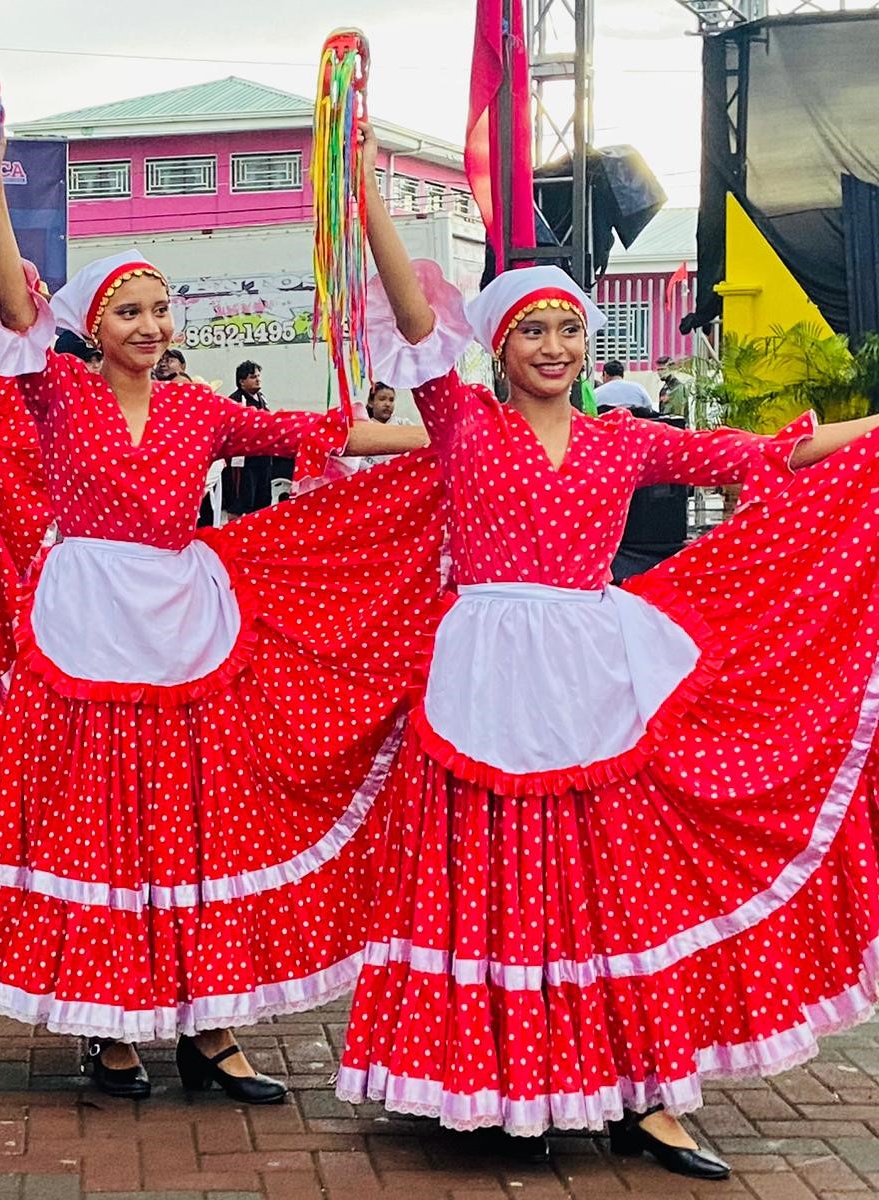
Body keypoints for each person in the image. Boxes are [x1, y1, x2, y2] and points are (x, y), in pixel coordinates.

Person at [337, 124, 879, 1179]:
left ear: (589, 344)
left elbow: (766, 454)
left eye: (568, 329)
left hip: (589, 672)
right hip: (486, 676)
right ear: (495, 346)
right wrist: (362, 188)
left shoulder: (622, 438)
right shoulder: (460, 422)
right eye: (530, 329)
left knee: (611, 881)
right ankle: (486, 1080)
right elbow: (410, 314)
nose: (551, 346)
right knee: (484, 877)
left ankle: (642, 1097)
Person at [0, 128, 438, 1105]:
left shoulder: (200, 410)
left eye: (160, 308)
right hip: (85, 632)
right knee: (100, 829)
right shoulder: (56, 390)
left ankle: (210, 1029)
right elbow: (12, 305)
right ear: (93, 323)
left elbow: (314, 431)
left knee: (199, 828)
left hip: (179, 631)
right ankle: (109, 1027)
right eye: (129, 308)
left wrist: (446, 439)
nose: (150, 322)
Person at [220, 360, 293, 515]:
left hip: (264, 459)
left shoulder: (262, 398)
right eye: (253, 377)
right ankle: (235, 534)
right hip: (244, 462)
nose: (258, 379)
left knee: (263, 500)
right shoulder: (235, 401)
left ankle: (257, 533)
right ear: (242, 381)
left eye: (259, 376)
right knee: (241, 502)